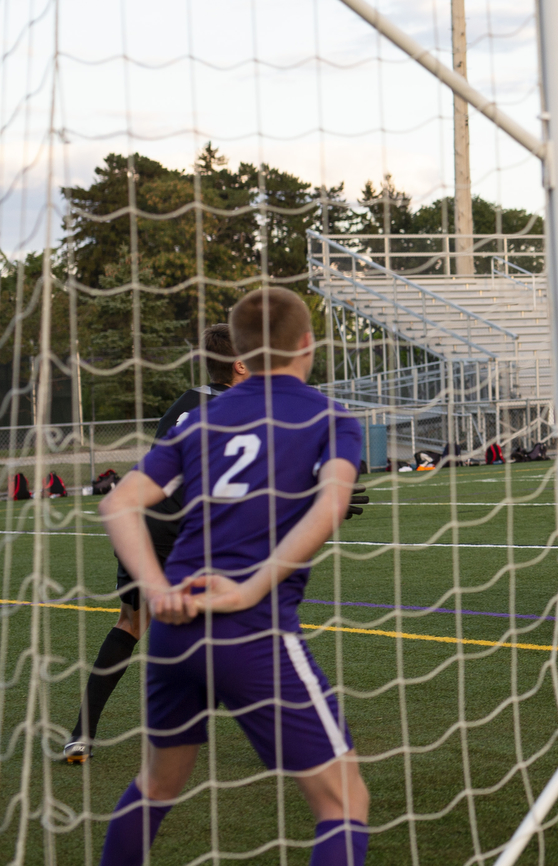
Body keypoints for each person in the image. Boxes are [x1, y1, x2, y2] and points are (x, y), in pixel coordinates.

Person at [97, 288, 369, 866]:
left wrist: (156, 591)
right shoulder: (332, 417)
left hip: (174, 628)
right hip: (252, 628)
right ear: (307, 344)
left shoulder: (199, 418)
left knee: (156, 785)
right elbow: (330, 507)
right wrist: (250, 588)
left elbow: (118, 503)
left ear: (242, 352)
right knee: (344, 802)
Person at [63, 324, 252, 763]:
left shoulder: (186, 401)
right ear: (241, 365)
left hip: (136, 521)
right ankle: (279, 732)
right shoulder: (243, 408)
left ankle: (80, 735)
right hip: (180, 530)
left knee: (130, 623)